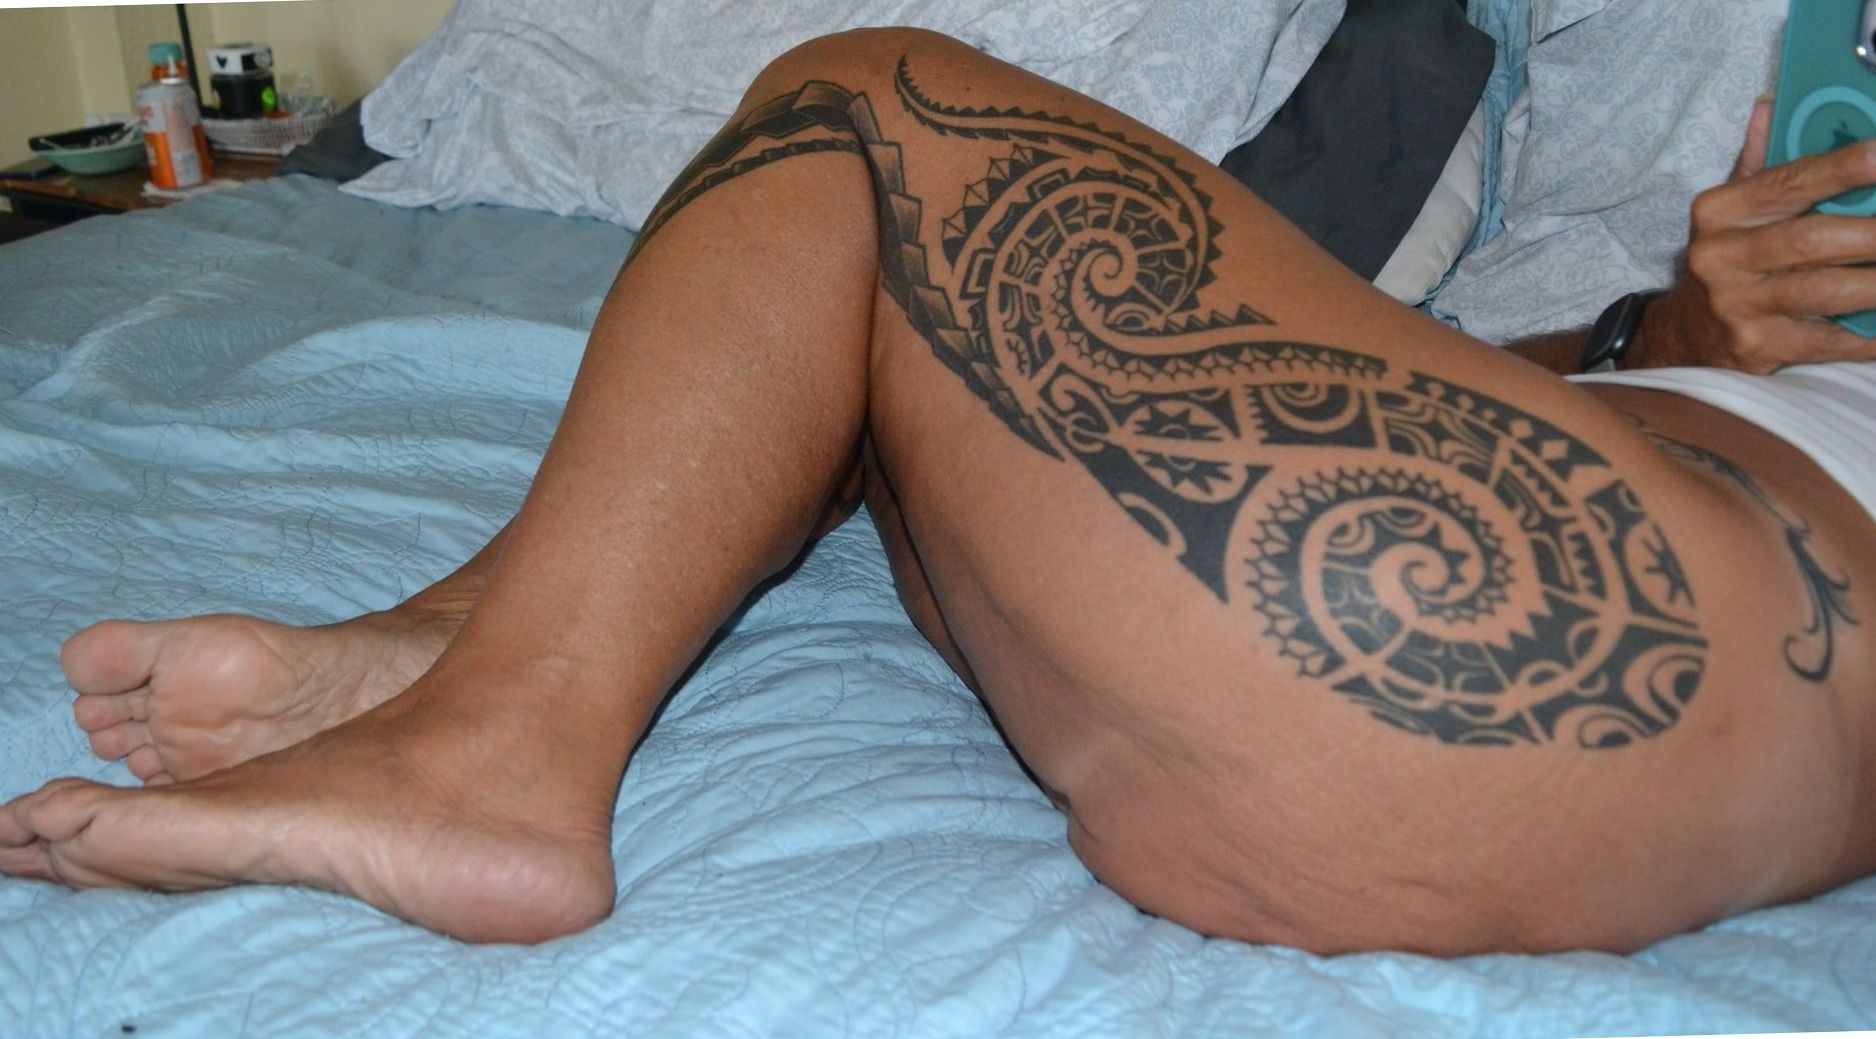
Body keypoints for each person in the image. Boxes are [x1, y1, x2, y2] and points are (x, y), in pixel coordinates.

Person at [2, 28, 1874, 956]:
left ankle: (497, 756)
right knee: (887, 332)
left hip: (1620, 639)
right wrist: (1660, 325)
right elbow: (1448, 395)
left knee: (874, 101)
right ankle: (455, 646)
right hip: (1452, 672)